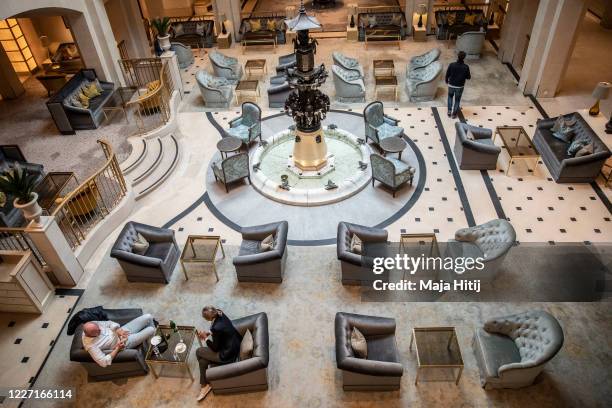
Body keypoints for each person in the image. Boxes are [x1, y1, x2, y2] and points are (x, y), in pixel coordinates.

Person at [195, 306, 242, 402]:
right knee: (203, 361)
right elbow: (220, 328)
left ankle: (205, 383)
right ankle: (204, 385)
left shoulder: (216, 329)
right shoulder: (220, 312)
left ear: (208, 318)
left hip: (227, 355)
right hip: (234, 345)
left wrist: (205, 338)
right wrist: (208, 333)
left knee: (199, 351)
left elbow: (215, 348)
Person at [81, 313, 156, 368]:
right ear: (91, 335)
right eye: (98, 331)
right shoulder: (90, 345)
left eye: (98, 327)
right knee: (151, 329)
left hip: (124, 330)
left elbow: (109, 323)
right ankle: (154, 346)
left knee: (149, 316)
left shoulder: (93, 324)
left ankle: (152, 345)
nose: (100, 329)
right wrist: (117, 348)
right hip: (125, 342)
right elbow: (103, 362)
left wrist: (117, 329)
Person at [445, 51, 471, 119]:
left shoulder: (452, 65)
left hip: (451, 85)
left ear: (458, 56)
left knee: (450, 97)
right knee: (457, 100)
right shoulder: (466, 67)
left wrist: (446, 80)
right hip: (460, 86)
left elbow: (447, 74)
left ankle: (449, 111)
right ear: (464, 57)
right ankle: (454, 114)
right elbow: (468, 77)